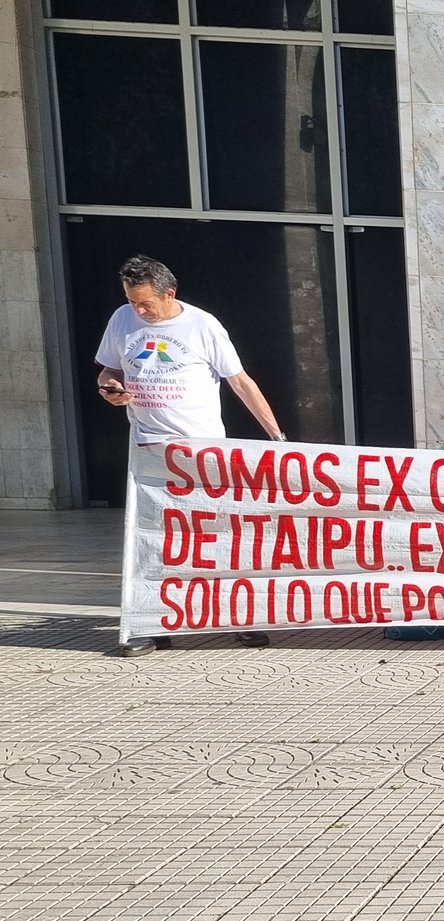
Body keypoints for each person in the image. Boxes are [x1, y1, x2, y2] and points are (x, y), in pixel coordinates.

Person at [96, 255, 283, 656]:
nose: (139, 310)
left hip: (202, 450)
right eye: (132, 302)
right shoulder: (121, 320)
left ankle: (239, 618)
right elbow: (107, 371)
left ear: (170, 293)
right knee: (152, 540)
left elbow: (240, 382)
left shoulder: (202, 325)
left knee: (217, 536)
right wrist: (110, 388)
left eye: (146, 303)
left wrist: (277, 436)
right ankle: (151, 624)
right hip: (149, 447)